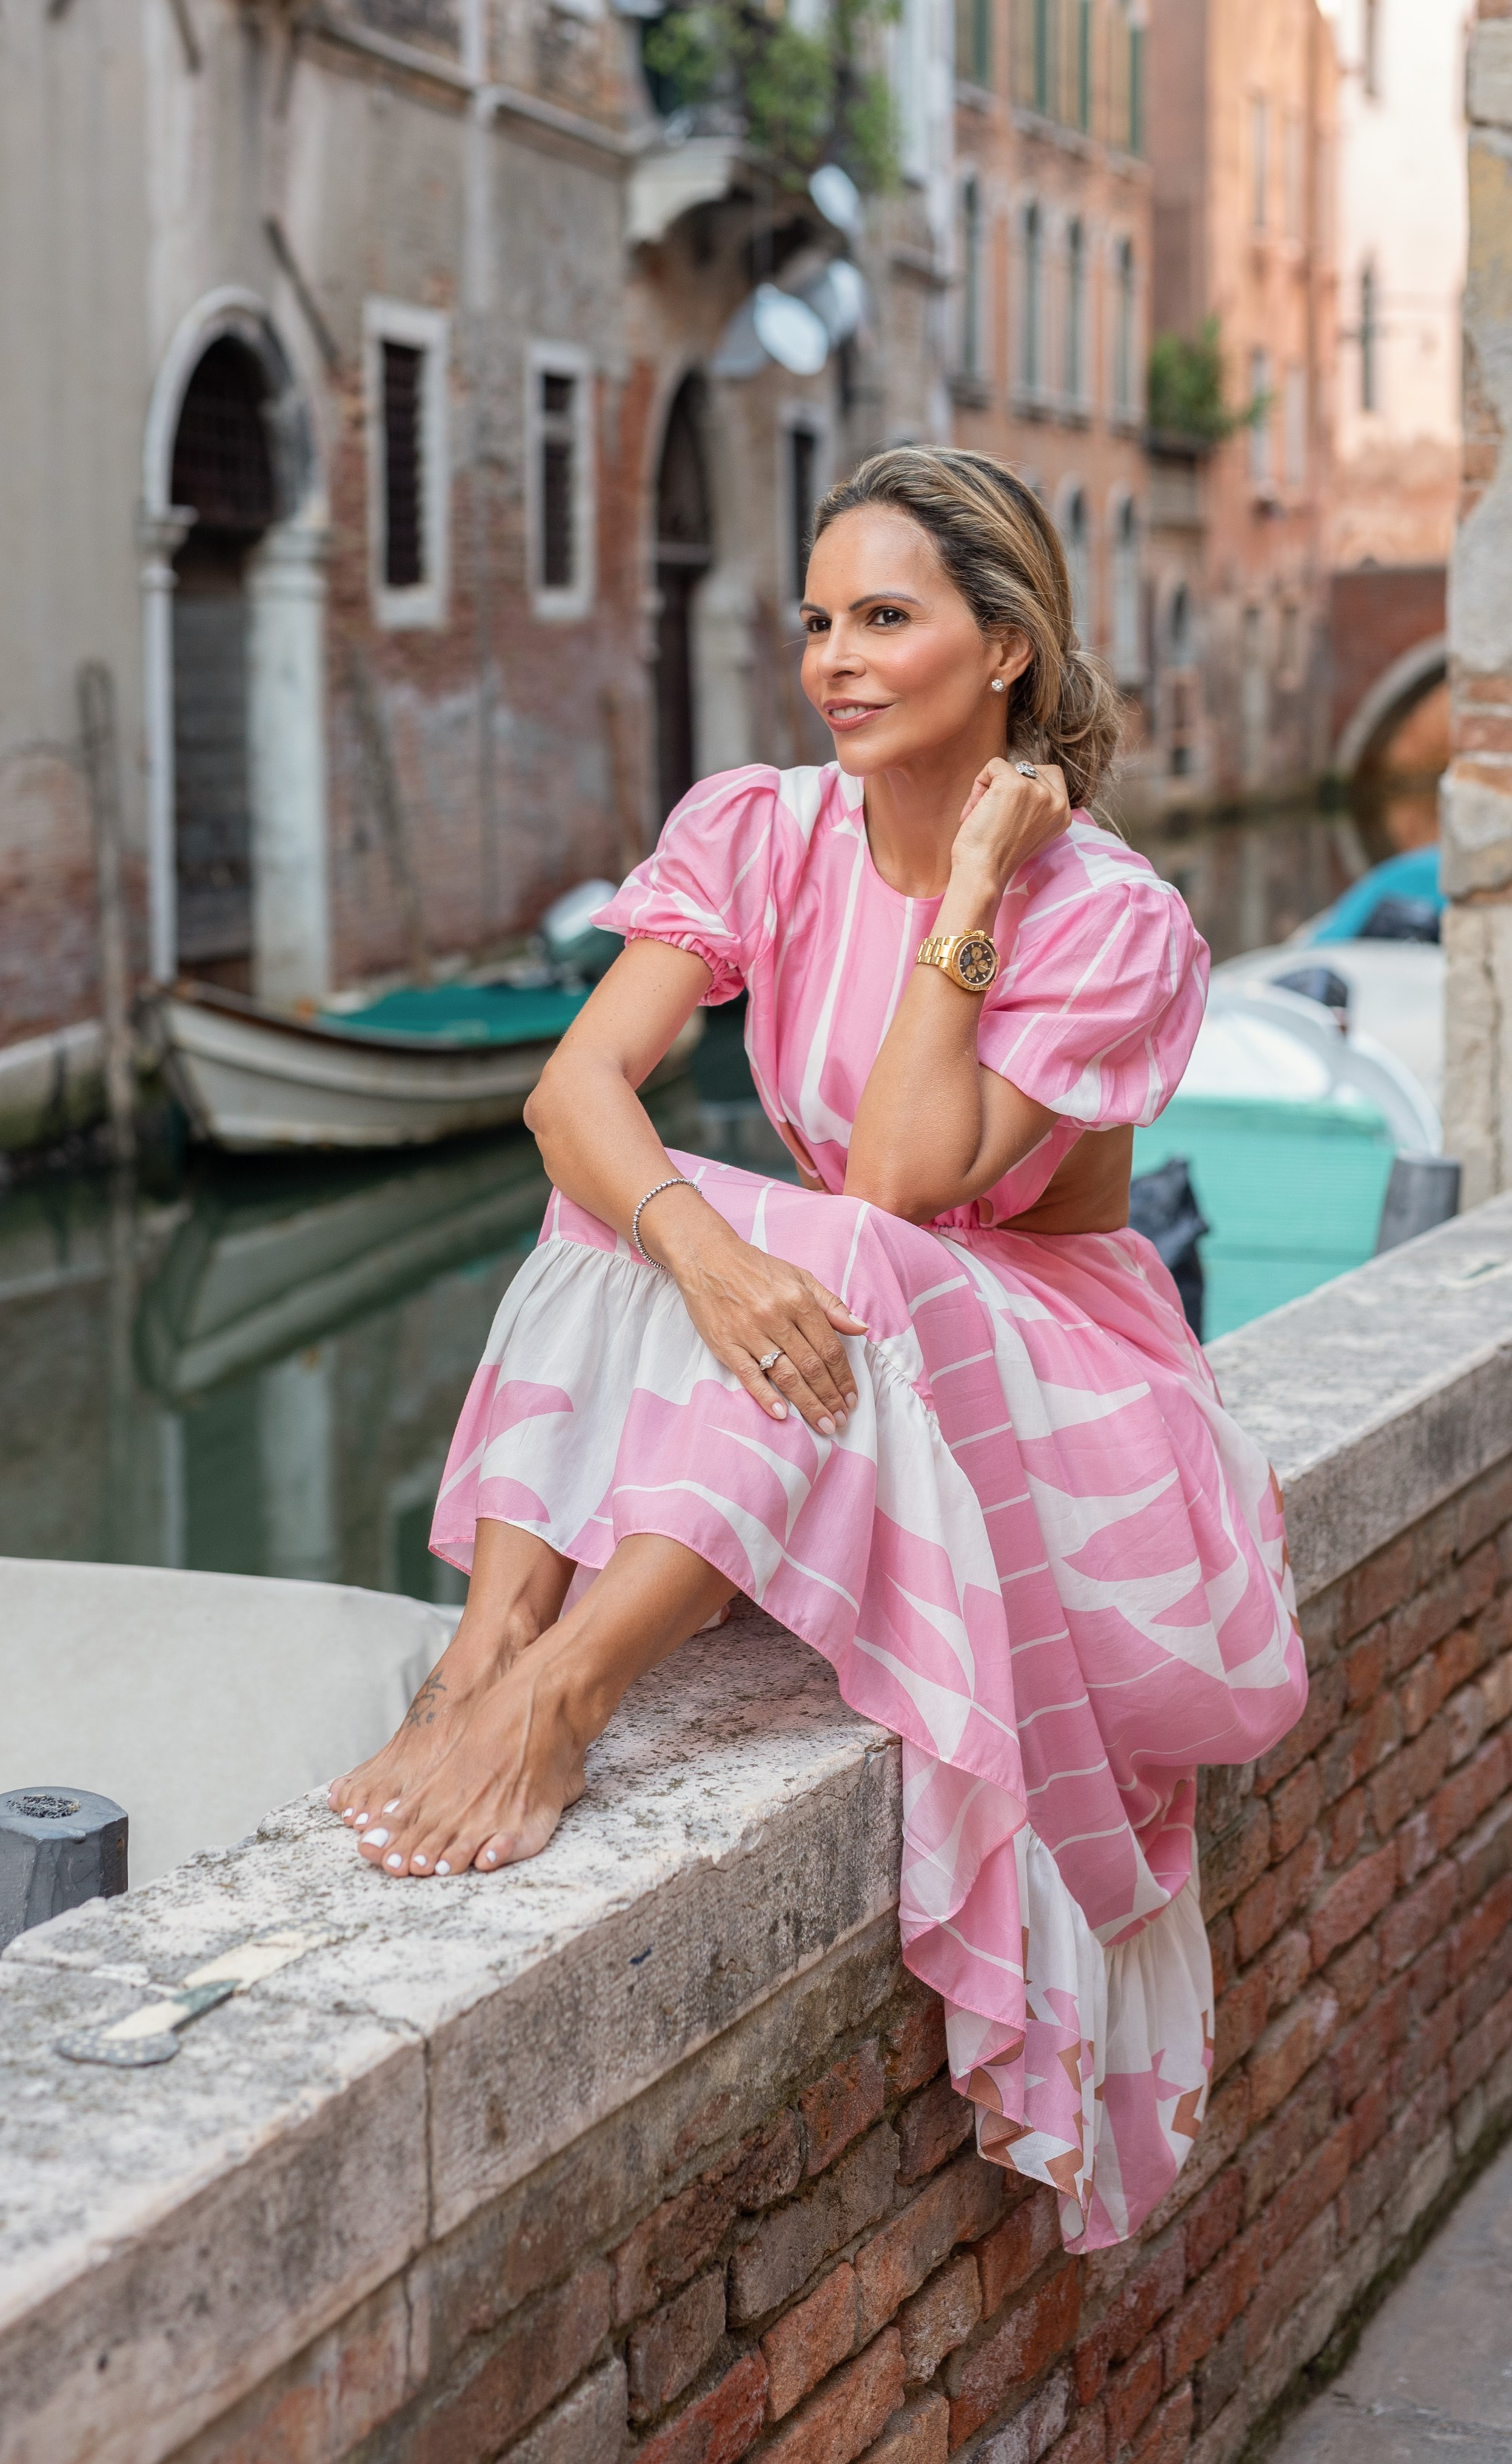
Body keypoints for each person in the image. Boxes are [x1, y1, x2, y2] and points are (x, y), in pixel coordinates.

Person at [329, 447, 1306, 2251]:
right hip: (861, 1308)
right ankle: (490, 1648)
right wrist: (696, 1246)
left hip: (1067, 1374)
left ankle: (569, 1695)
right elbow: (570, 1092)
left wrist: (971, 892)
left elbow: (907, 1184)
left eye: (882, 619)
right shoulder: (759, 828)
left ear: (1002, 649)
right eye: (815, 623)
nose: (833, 663)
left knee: (824, 1237)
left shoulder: (1109, 918)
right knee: (619, 1198)